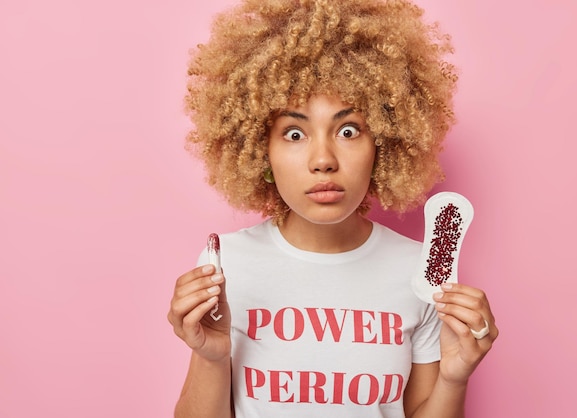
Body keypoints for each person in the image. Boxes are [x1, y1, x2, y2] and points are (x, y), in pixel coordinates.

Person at [168, 0, 498, 417]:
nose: (323, 159)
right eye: (293, 133)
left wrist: (455, 377)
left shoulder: (421, 274)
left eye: (347, 130)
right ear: (257, 151)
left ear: (383, 142)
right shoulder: (227, 265)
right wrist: (212, 356)